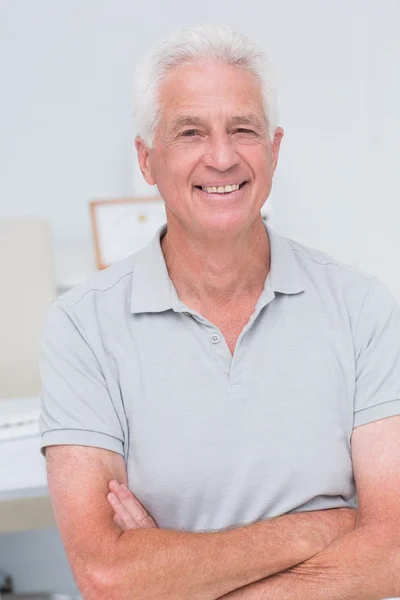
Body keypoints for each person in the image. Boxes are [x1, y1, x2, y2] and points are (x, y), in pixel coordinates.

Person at [39, 23, 400, 600]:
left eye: (243, 129)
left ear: (275, 149)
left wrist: (177, 576)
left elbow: (395, 549)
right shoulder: (82, 326)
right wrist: (323, 526)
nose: (223, 157)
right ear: (147, 158)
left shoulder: (361, 307)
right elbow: (108, 575)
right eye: (190, 132)